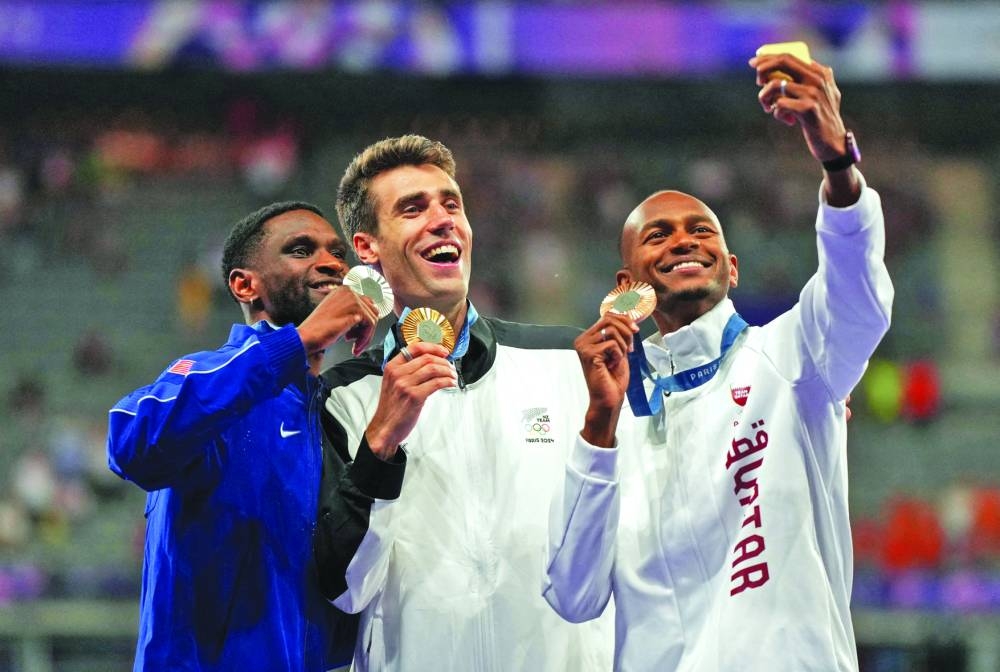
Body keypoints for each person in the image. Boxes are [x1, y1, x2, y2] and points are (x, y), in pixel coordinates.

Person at [542, 54, 893, 670]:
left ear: (731, 268)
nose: (683, 240)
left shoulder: (792, 356)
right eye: (658, 235)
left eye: (701, 231)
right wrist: (598, 425)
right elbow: (574, 596)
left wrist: (838, 164)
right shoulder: (606, 421)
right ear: (628, 285)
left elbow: (858, 300)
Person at [314, 135, 614, 670]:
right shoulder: (343, 396)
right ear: (367, 247)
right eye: (413, 209)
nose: (442, 220)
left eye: (451, 204)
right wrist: (380, 443)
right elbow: (345, 590)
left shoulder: (567, 360)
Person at [107, 201, 378, 671]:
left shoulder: (341, 416)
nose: (333, 263)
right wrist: (297, 343)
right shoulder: (211, 381)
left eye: (338, 253)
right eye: (301, 250)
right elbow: (131, 443)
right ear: (244, 285)